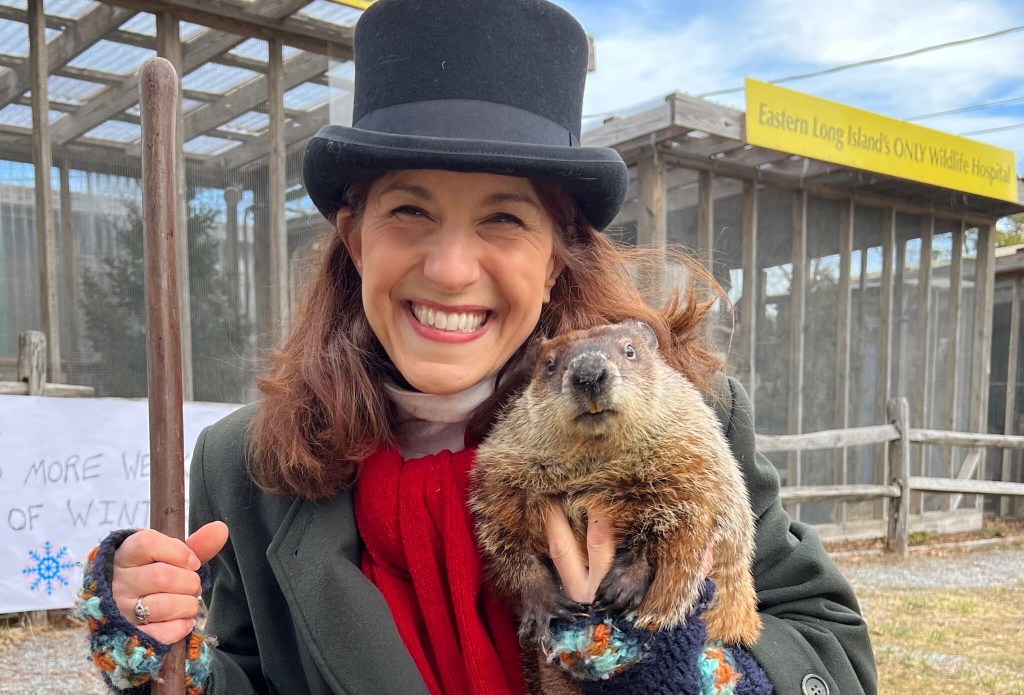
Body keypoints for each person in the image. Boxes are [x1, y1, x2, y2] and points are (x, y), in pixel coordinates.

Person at [75, 1, 877, 693]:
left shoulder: (690, 413)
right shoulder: (242, 466)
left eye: (503, 217)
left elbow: (831, 650)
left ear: (559, 246)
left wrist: (675, 666)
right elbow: (251, 675)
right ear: (354, 237)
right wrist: (164, 658)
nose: (452, 270)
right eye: (410, 212)